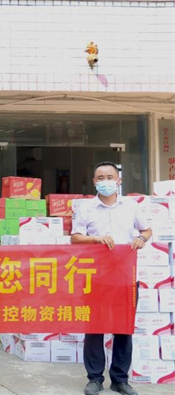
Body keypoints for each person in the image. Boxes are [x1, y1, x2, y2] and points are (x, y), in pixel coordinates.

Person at [71, 161, 151, 395]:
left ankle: (120, 379)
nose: (105, 181)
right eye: (100, 178)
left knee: (123, 329)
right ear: (94, 182)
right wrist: (96, 239)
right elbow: (75, 238)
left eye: (109, 177)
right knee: (94, 328)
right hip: (96, 277)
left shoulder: (131, 206)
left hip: (125, 277)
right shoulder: (86, 208)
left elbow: (146, 230)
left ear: (118, 180)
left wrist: (141, 239)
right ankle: (94, 378)